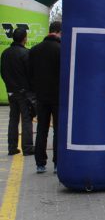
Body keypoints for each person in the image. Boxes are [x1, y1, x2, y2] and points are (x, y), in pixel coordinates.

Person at [29, 21, 61, 174]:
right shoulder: (61, 50)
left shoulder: (35, 50)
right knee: (58, 130)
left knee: (42, 129)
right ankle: (57, 163)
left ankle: (40, 163)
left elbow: (29, 74)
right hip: (58, 96)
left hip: (40, 97)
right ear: (59, 32)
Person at [0, 27, 34, 156]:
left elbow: (2, 72)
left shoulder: (5, 53)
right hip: (24, 92)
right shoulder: (26, 53)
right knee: (26, 118)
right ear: (24, 38)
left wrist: (9, 86)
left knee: (13, 119)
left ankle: (12, 147)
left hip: (11, 91)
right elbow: (30, 74)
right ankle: (27, 147)